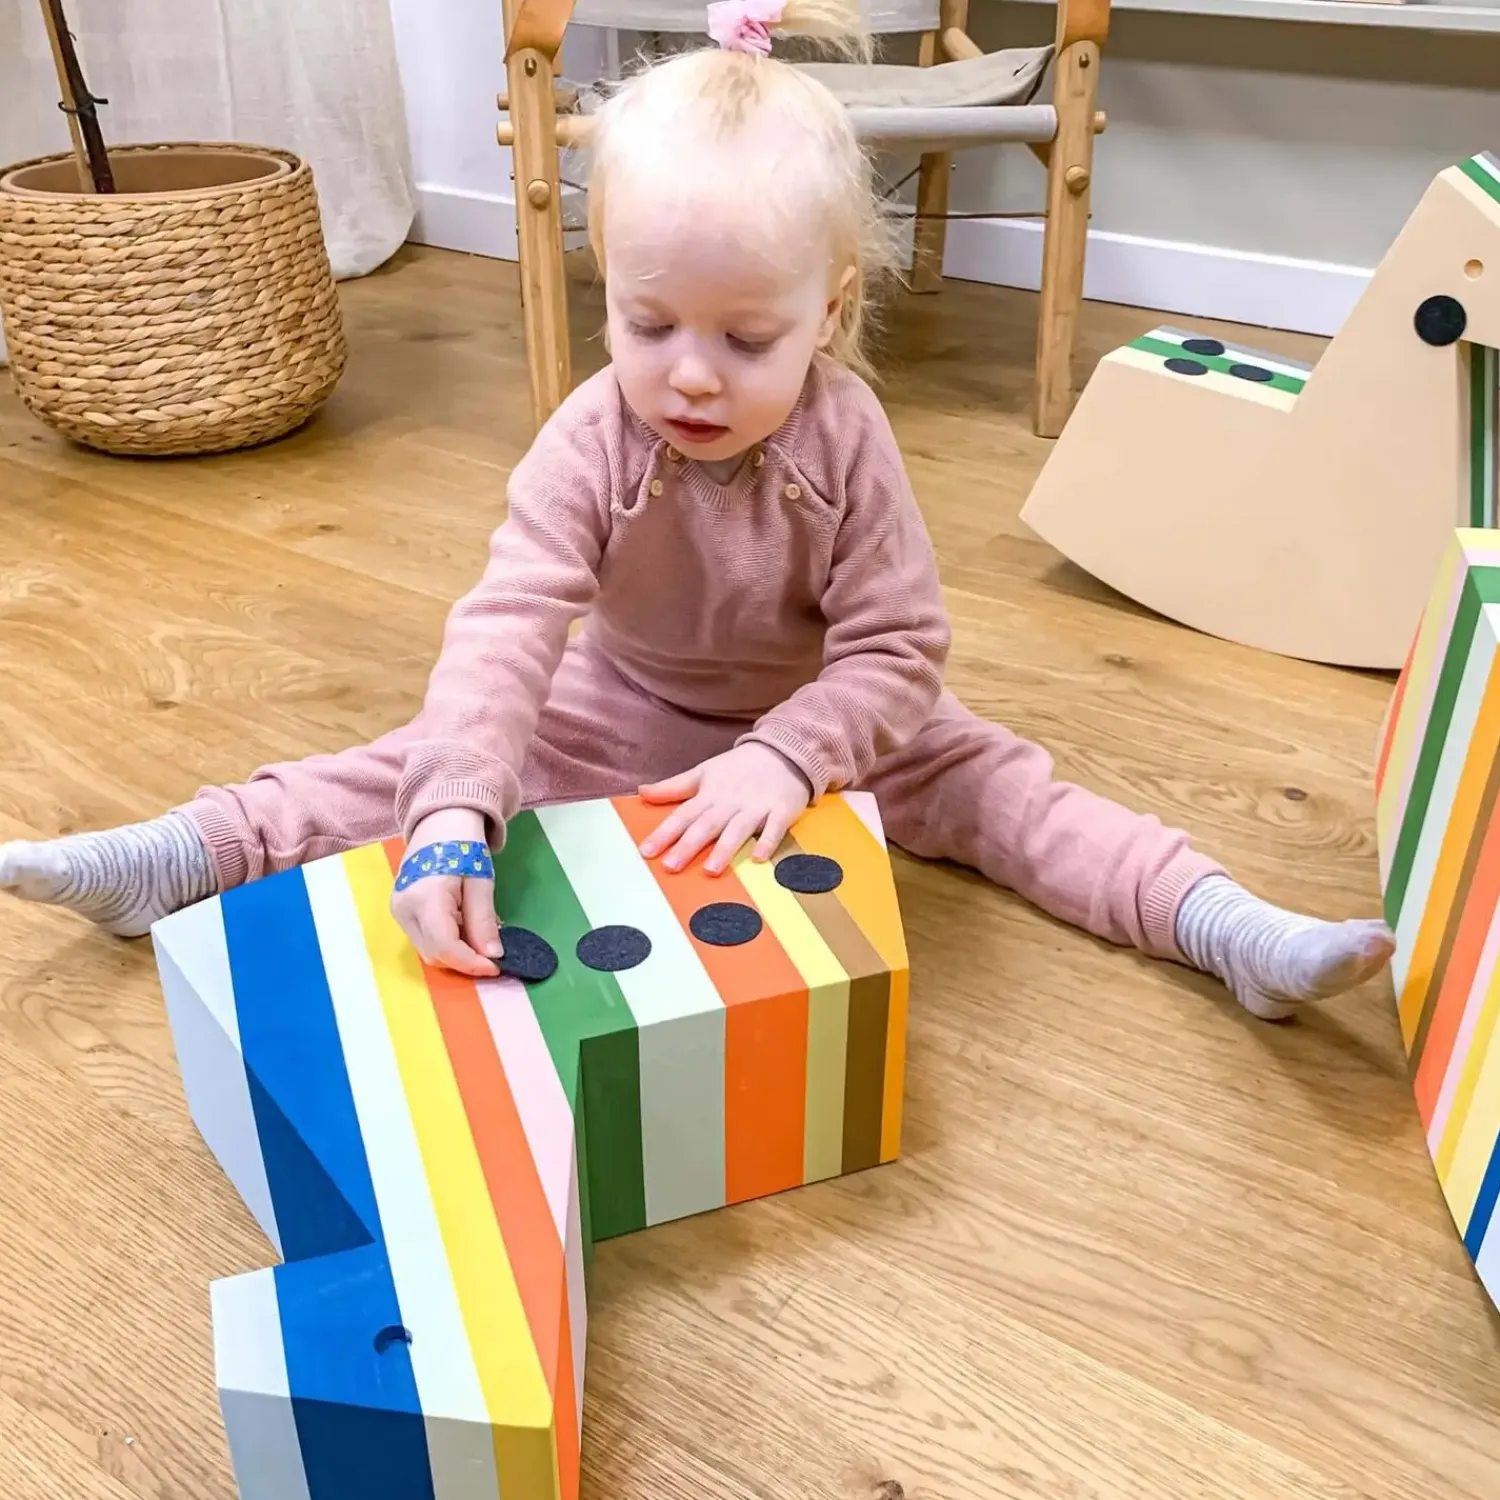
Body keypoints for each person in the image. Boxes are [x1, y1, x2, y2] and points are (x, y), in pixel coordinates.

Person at [0, 0, 1393, 1022]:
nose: (689, 375)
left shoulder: (847, 437)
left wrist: (789, 760)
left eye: (746, 338)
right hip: (622, 708)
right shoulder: (589, 436)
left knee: (1006, 790)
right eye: (648, 322)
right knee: (417, 765)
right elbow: (507, 626)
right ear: (606, 284)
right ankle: (179, 855)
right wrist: (457, 814)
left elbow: (899, 651)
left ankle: (1223, 927)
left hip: (831, 725)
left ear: (829, 313)